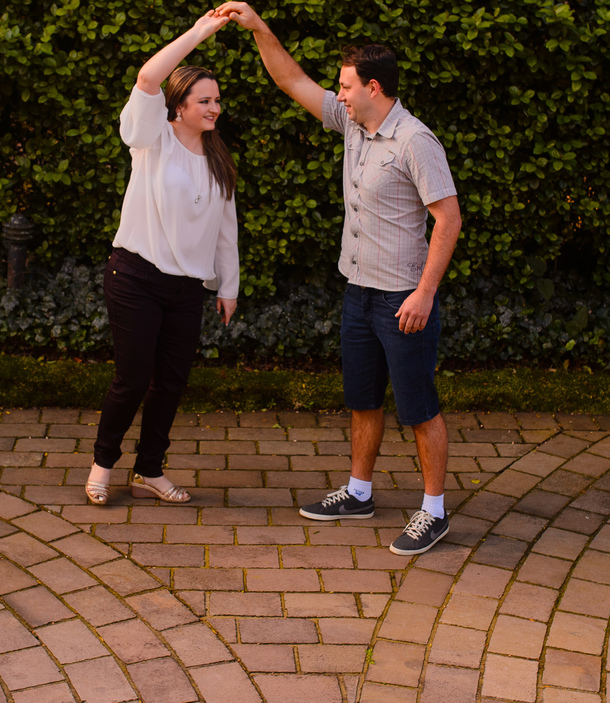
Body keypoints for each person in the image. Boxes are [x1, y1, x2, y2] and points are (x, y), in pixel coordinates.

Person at [217, 3, 462, 556]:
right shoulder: (353, 123)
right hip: (358, 290)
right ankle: (359, 492)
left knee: (419, 406)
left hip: (403, 298)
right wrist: (258, 28)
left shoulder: (415, 141)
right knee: (362, 399)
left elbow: (448, 218)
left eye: (346, 85)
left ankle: (434, 511)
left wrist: (425, 292)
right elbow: (290, 78)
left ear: (373, 87)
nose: (339, 93)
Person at [85, 11, 239, 506]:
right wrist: (200, 32)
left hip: (186, 290)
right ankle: (102, 466)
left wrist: (228, 287)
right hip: (134, 277)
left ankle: (150, 469)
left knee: (171, 383)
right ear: (178, 106)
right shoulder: (151, 141)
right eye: (205, 100)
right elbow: (148, 77)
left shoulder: (218, 160)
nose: (215, 107)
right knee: (131, 380)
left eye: (217, 100)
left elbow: (225, 230)